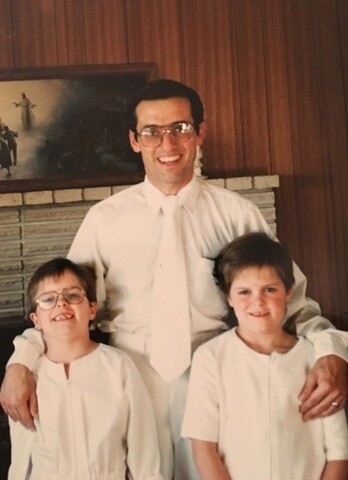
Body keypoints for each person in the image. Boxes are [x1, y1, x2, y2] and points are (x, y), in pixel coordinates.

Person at [1, 79, 347, 480]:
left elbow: (293, 304)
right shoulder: (105, 220)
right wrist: (20, 361)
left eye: (180, 127)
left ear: (200, 132)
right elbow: (63, 303)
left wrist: (331, 351)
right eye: (151, 131)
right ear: (134, 140)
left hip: (219, 374)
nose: (167, 143)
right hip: (126, 377)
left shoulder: (237, 215)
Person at [182, 233, 348, 480]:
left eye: (270, 289)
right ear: (228, 297)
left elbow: (338, 451)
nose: (257, 301)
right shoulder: (211, 358)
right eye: (244, 292)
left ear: (289, 291)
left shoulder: (316, 359)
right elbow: (203, 446)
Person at [8, 257, 163, 480]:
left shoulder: (118, 366)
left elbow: (144, 448)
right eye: (48, 299)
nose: (61, 303)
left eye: (72, 295)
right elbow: (21, 457)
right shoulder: (29, 377)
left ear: (91, 309)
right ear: (36, 319)